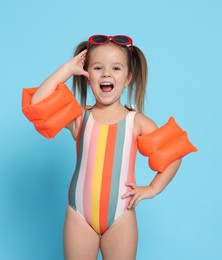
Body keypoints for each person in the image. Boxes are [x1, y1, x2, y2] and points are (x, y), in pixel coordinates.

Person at [22, 35, 197, 260]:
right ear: (87, 76)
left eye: (116, 68)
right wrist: (67, 69)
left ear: (127, 78)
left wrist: (153, 188)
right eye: (97, 67)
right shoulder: (79, 118)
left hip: (120, 217)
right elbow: (37, 103)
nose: (106, 74)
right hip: (79, 216)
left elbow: (173, 153)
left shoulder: (137, 122)